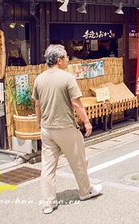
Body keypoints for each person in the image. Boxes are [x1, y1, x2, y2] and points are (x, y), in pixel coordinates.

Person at [33, 44, 103, 214]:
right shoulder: (67, 78)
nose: (68, 60)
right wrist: (86, 122)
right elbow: (77, 104)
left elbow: (37, 104)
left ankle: (48, 202)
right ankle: (85, 192)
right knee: (79, 161)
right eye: (66, 57)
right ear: (59, 60)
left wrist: (39, 122)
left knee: (48, 167)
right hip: (65, 127)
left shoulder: (39, 79)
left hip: (47, 128)